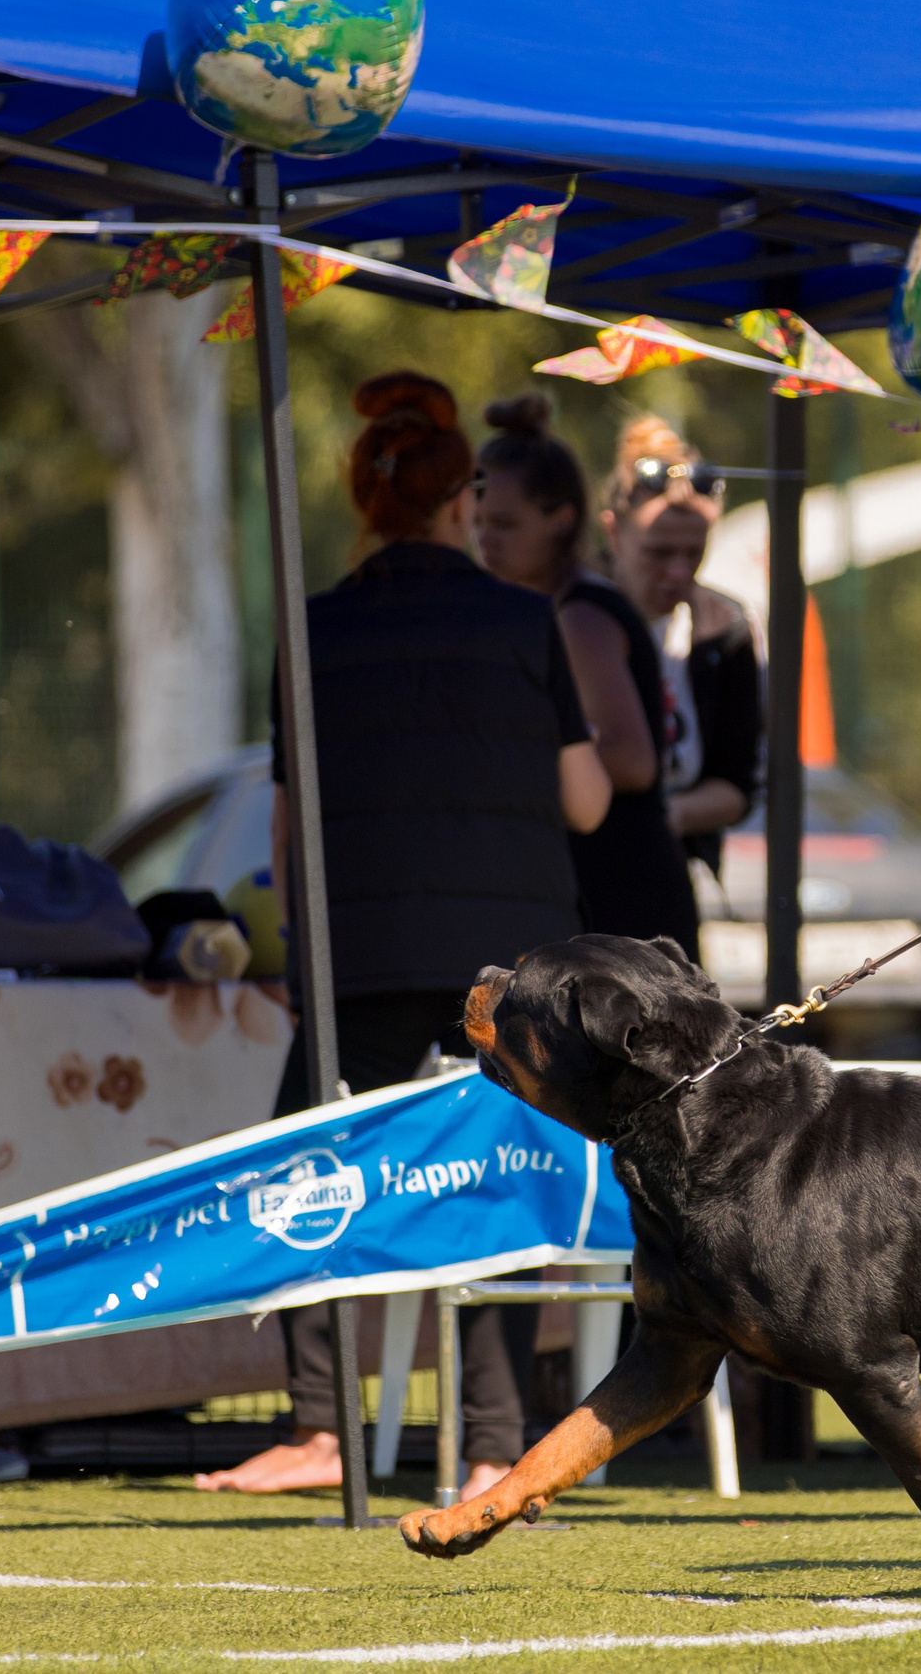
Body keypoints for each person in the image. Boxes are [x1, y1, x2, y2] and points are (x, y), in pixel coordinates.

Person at [196, 373, 611, 1496]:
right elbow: (588, 804)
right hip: (511, 964)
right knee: (496, 1179)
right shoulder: (526, 620)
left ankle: (318, 1430)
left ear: (367, 499)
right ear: (459, 501)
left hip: (360, 955)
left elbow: (288, 825)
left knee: (304, 1168)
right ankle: (489, 1447)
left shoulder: (312, 628)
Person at [475, 403, 701, 956]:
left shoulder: (580, 617)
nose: (486, 540)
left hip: (621, 895)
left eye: (505, 524)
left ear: (563, 519)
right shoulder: (558, 610)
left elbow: (630, 760)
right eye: (477, 521)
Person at [603, 420, 761, 874]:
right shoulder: (580, 620)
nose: (677, 572)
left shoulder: (724, 627)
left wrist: (670, 817)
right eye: (658, 553)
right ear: (614, 534)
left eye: (694, 552)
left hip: (674, 862)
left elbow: (737, 783)